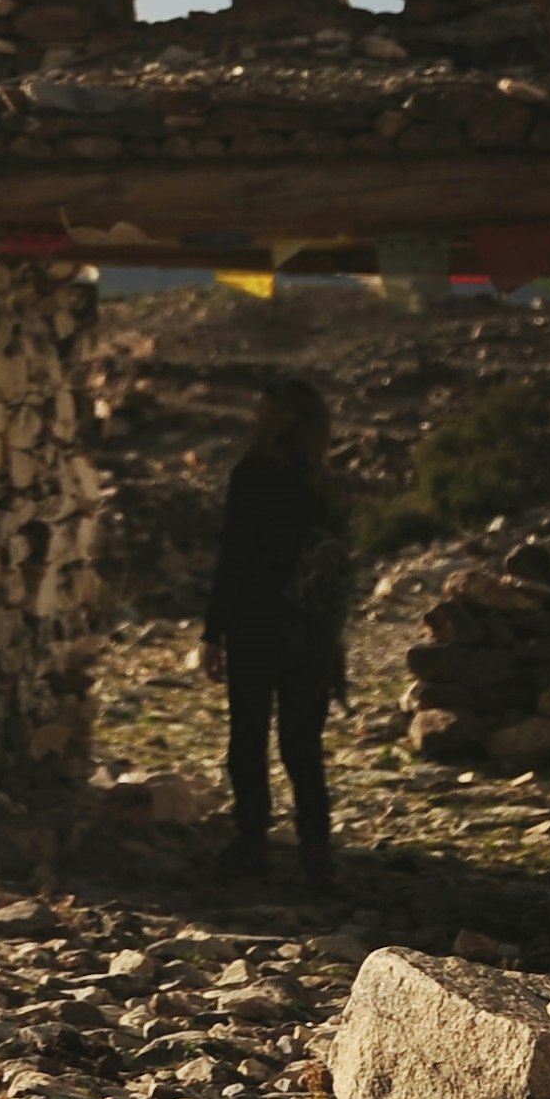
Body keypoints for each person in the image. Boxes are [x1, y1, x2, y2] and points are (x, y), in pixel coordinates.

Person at [201, 376, 350, 889]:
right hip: (313, 630)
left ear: (277, 417)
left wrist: (212, 632)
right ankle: (316, 849)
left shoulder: (254, 474)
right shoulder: (325, 482)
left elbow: (235, 555)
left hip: (258, 622)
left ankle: (253, 843)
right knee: (303, 742)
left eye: (262, 408)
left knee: (249, 734)